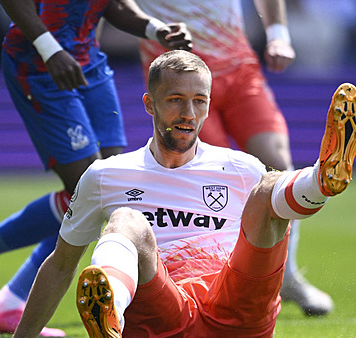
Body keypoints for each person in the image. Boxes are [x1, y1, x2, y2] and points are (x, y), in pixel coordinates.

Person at [0, 50, 356, 338]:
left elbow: (261, 262)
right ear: (149, 104)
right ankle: (110, 315)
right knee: (126, 220)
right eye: (175, 100)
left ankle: (321, 178)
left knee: (266, 190)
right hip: (163, 328)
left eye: (198, 101)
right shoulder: (107, 174)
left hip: (239, 328)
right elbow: (61, 262)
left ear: (208, 105)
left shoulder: (239, 167)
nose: (188, 114)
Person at [0, 0, 192, 337]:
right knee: (88, 187)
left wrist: (154, 29)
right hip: (38, 63)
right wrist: (49, 49)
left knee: (114, 183)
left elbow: (115, 5)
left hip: (89, 62)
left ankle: (3, 294)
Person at [132, 0, 333, 316]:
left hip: (238, 66)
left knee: (278, 167)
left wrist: (278, 34)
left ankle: (286, 276)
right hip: (176, 74)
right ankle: (212, 281)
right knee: (211, 177)